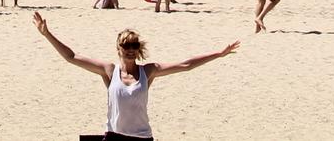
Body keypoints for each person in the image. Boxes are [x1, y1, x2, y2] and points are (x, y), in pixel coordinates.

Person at [32, 11, 239, 141]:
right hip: (114, 137)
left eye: (134, 45)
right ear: (119, 47)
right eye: (126, 45)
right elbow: (72, 57)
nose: (130, 49)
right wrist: (47, 34)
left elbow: (185, 65)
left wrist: (218, 54)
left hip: (142, 138)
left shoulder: (148, 71)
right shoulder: (109, 71)